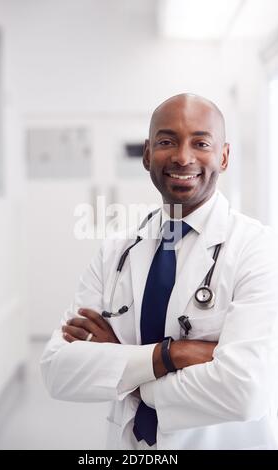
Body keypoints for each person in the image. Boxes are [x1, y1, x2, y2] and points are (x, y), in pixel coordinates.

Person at [40, 93, 278, 450]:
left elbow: (244, 391)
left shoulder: (257, 249)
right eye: (167, 141)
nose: (183, 157)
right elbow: (58, 370)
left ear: (223, 156)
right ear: (148, 154)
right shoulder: (117, 251)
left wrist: (124, 367)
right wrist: (173, 355)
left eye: (201, 142)